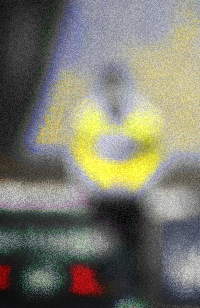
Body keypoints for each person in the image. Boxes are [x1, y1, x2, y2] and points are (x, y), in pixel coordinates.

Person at [67, 61, 164, 307]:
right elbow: (78, 157)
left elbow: (155, 157)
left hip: (133, 199)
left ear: (127, 87)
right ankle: (104, 297)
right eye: (109, 87)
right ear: (100, 88)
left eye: (118, 86)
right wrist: (96, 185)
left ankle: (134, 297)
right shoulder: (86, 116)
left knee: (138, 249)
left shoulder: (145, 116)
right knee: (102, 249)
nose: (114, 93)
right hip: (100, 198)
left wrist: (138, 186)